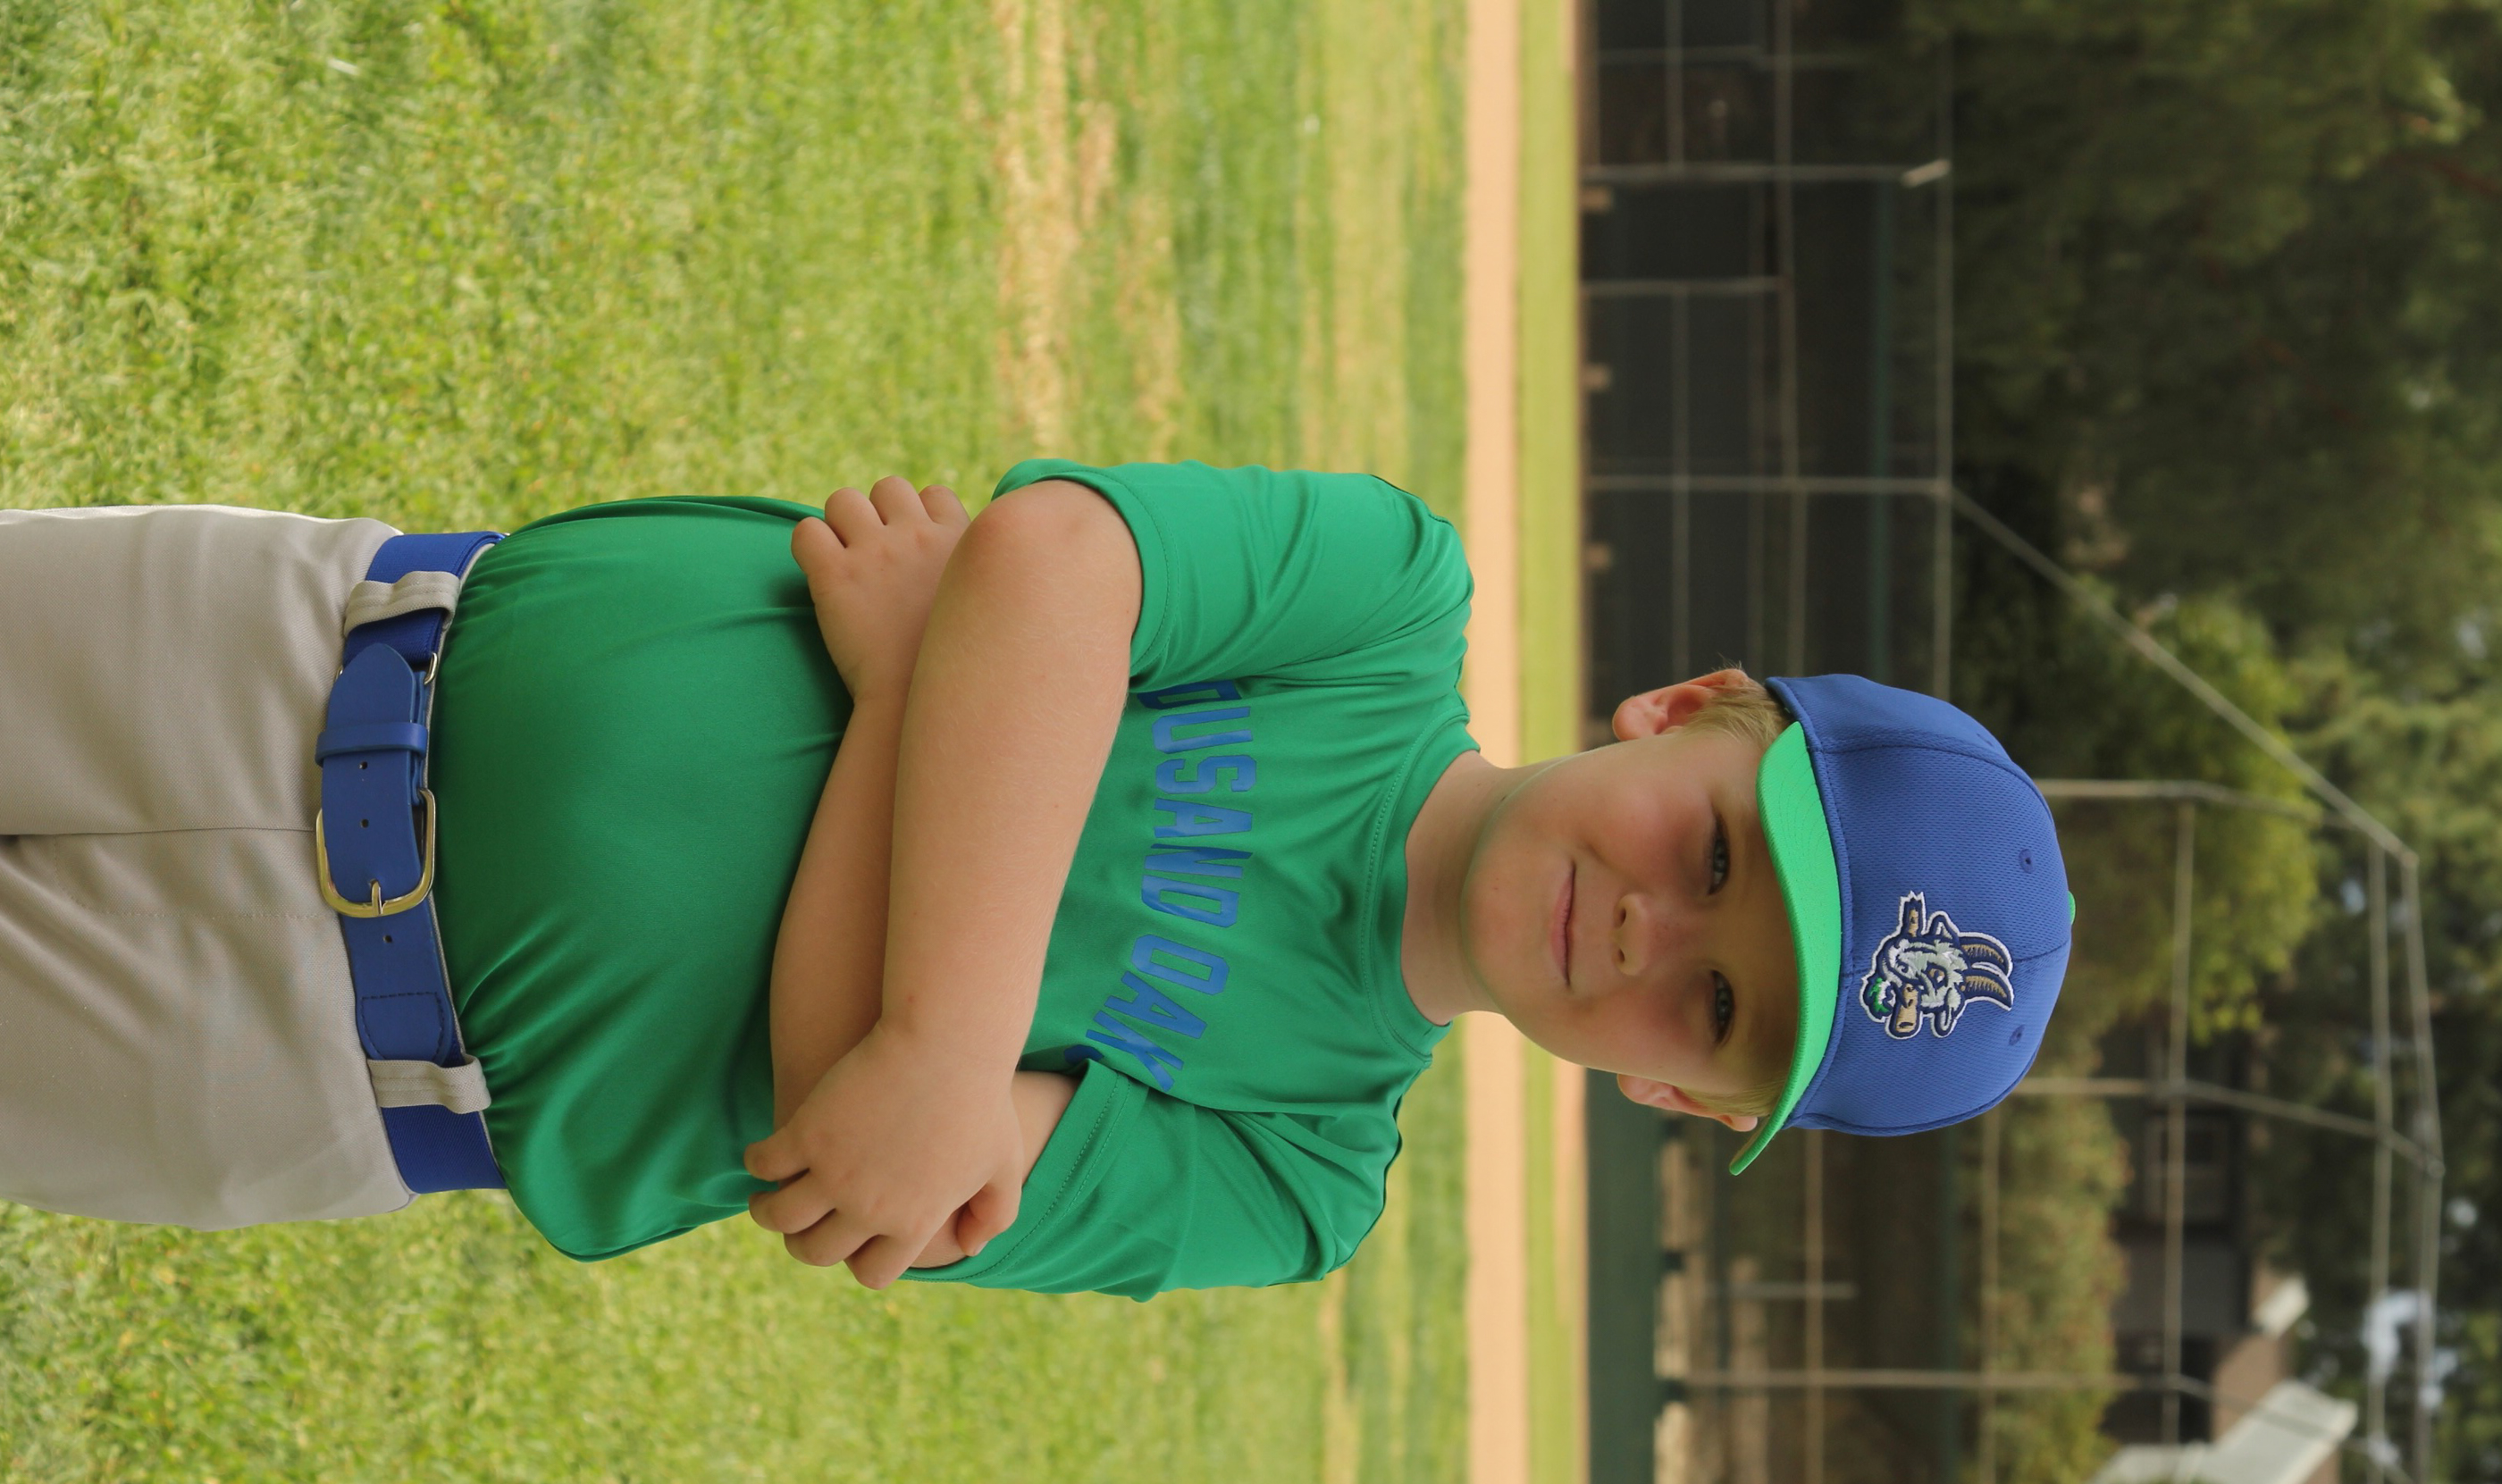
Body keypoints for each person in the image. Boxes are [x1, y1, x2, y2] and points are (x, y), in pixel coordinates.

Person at [0, 465, 2072, 1297]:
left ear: (1676, 1094)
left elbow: (839, 1142)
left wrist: (924, 690)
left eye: (1713, 1000)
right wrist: (937, 1035)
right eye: (1713, 852)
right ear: (1684, 705)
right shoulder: (1382, 606)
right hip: (302, 645)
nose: (1645, 928)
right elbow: (1056, 559)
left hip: (308, 1058)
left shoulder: (1298, 1171)